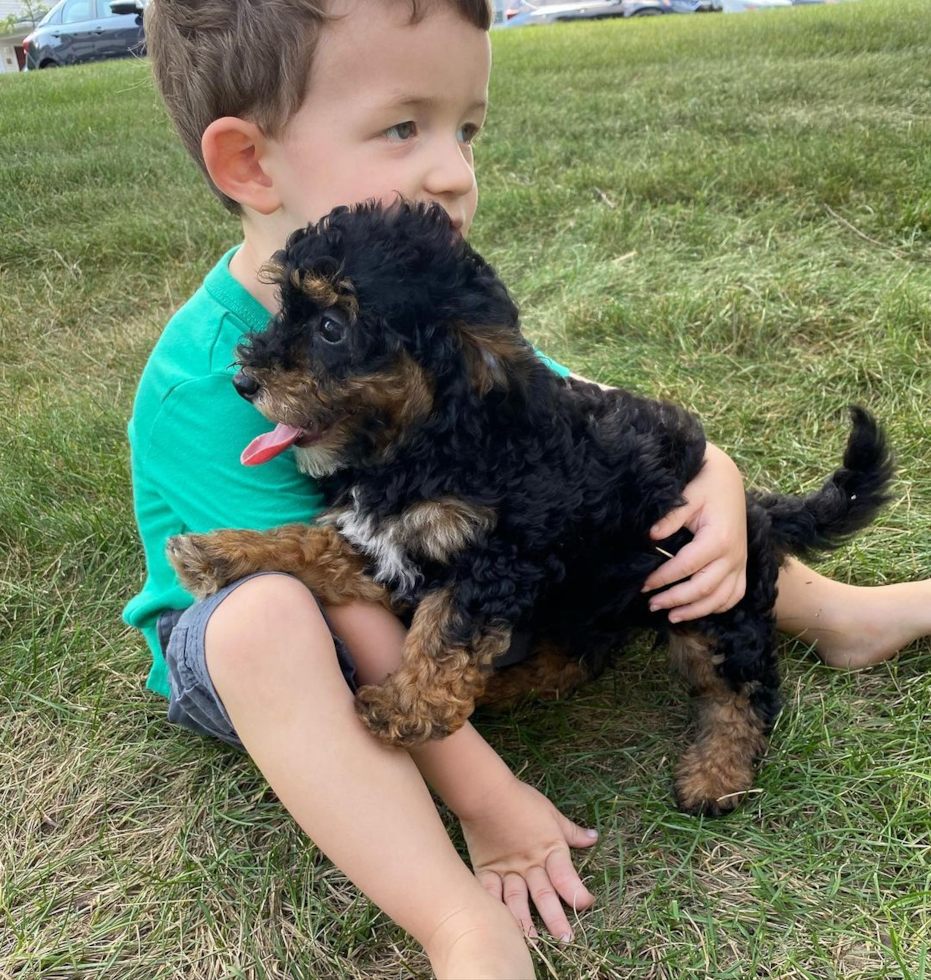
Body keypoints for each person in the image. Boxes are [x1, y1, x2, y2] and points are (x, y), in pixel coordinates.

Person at [122, 1, 931, 977]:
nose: (456, 169)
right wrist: (490, 802)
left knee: (602, 484)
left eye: (467, 128)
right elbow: (354, 605)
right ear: (252, 162)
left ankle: (835, 614)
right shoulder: (204, 378)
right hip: (284, 658)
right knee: (266, 616)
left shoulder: (426, 298)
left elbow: (575, 411)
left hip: (427, 584)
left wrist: (711, 469)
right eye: (402, 127)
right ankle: (455, 919)